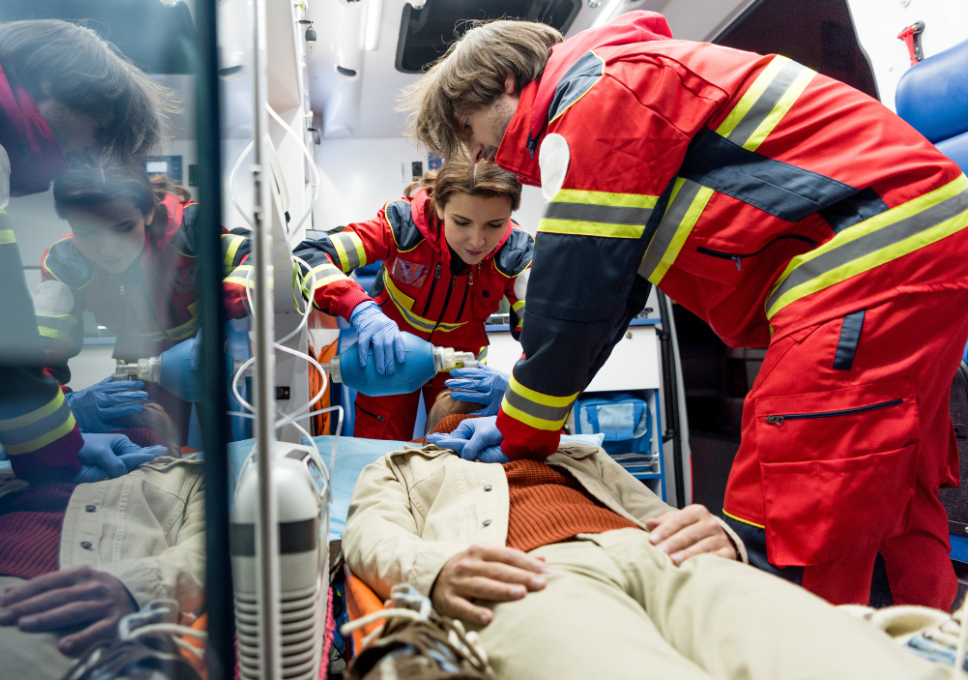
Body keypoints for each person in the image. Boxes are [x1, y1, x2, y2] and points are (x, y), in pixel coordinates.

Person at [401, 10, 968, 608]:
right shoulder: (625, 80)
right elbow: (611, 293)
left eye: (467, 128)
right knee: (887, 480)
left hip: (871, 251)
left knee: (793, 484)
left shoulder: (597, 95)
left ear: (506, 83)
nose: (475, 152)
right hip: (912, 237)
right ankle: (918, 639)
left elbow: (574, 294)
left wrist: (521, 429)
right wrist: (524, 419)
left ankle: (783, 623)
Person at [343, 430, 946, 680]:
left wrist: (720, 534)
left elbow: (659, 512)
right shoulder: (402, 465)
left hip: (659, 555)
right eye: (453, 409)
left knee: (838, 657)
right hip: (525, 574)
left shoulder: (573, 452)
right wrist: (438, 570)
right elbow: (367, 535)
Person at [0, 20, 178, 483]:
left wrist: (64, 439)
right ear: (52, 83)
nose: (87, 156)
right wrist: (60, 447)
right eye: (99, 131)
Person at [0, 405, 204, 680]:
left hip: (39, 601)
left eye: (154, 405)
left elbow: (209, 550)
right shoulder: (6, 475)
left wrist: (133, 588)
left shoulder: (189, 476)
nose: (137, 400)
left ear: (174, 447)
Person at [293, 158, 533, 439]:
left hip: (461, 366)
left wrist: (518, 385)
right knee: (378, 450)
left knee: (456, 449)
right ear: (440, 206)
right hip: (390, 355)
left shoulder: (517, 254)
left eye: (494, 224)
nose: (477, 241)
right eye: (462, 222)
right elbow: (309, 257)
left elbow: (545, 334)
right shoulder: (402, 225)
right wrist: (359, 308)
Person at [38, 157, 251, 441]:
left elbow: (259, 259)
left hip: (210, 352)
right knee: (151, 448)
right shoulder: (65, 265)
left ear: (149, 212)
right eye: (87, 233)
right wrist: (63, 404)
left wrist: (217, 319)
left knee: (227, 445)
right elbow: (43, 353)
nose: (108, 250)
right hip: (138, 360)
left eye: (123, 228)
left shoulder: (192, 229)